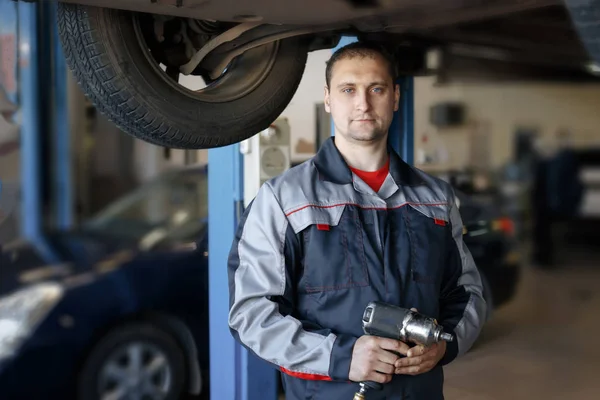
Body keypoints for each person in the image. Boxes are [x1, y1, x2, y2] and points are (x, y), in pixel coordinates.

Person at [227, 41, 486, 400]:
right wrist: (340, 356)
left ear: (395, 97)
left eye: (376, 89)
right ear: (329, 99)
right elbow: (252, 314)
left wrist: (446, 344)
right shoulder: (284, 199)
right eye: (348, 90)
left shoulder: (436, 198)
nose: (363, 104)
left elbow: (467, 294)